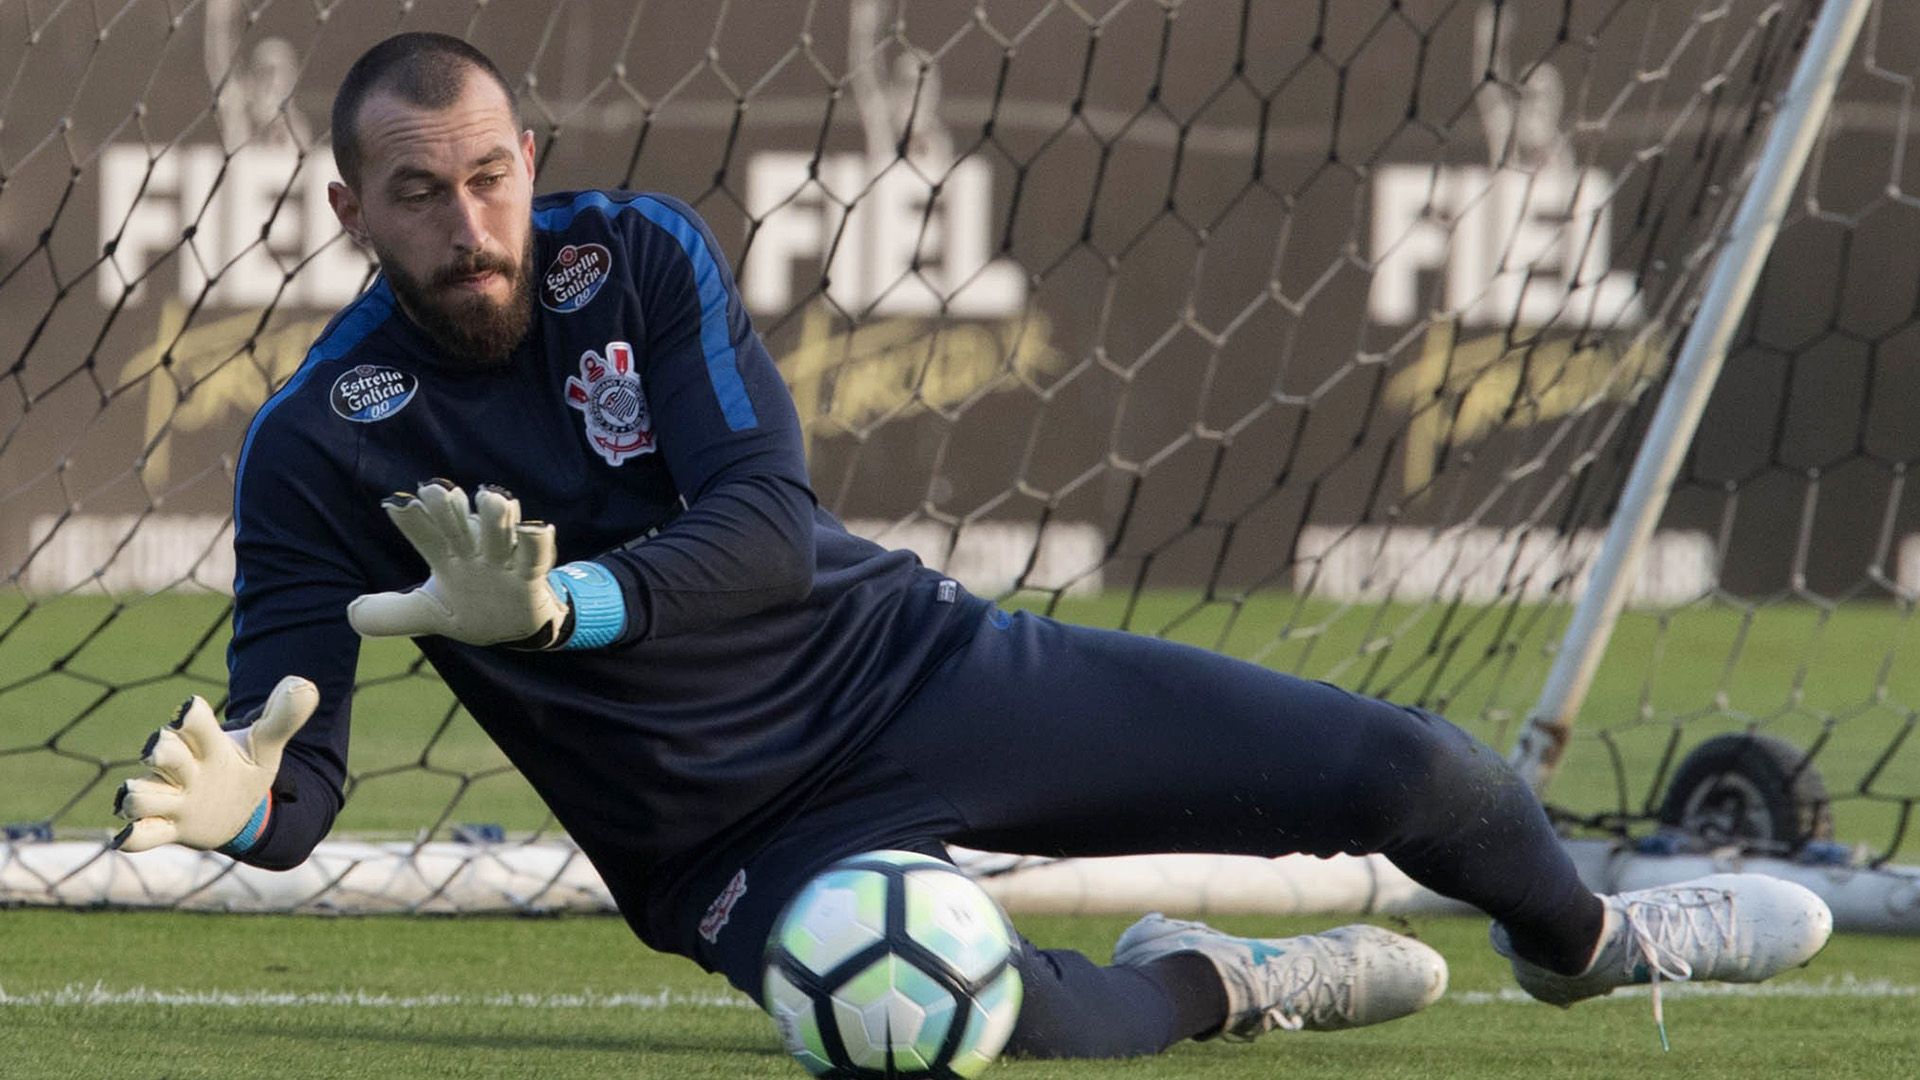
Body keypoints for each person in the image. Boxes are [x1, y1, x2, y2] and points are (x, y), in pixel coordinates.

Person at [111, 31, 1832, 1058]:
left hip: (912, 675)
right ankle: (1227, 989)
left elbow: (769, 533)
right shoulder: (311, 448)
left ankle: (1589, 946)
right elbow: (300, 770)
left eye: (491, 175)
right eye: (419, 192)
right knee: (929, 1022)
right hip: (727, 848)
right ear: (347, 211)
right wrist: (248, 808)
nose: (470, 224)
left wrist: (563, 606)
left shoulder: (630, 256)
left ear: (530, 162)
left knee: (1413, 775)